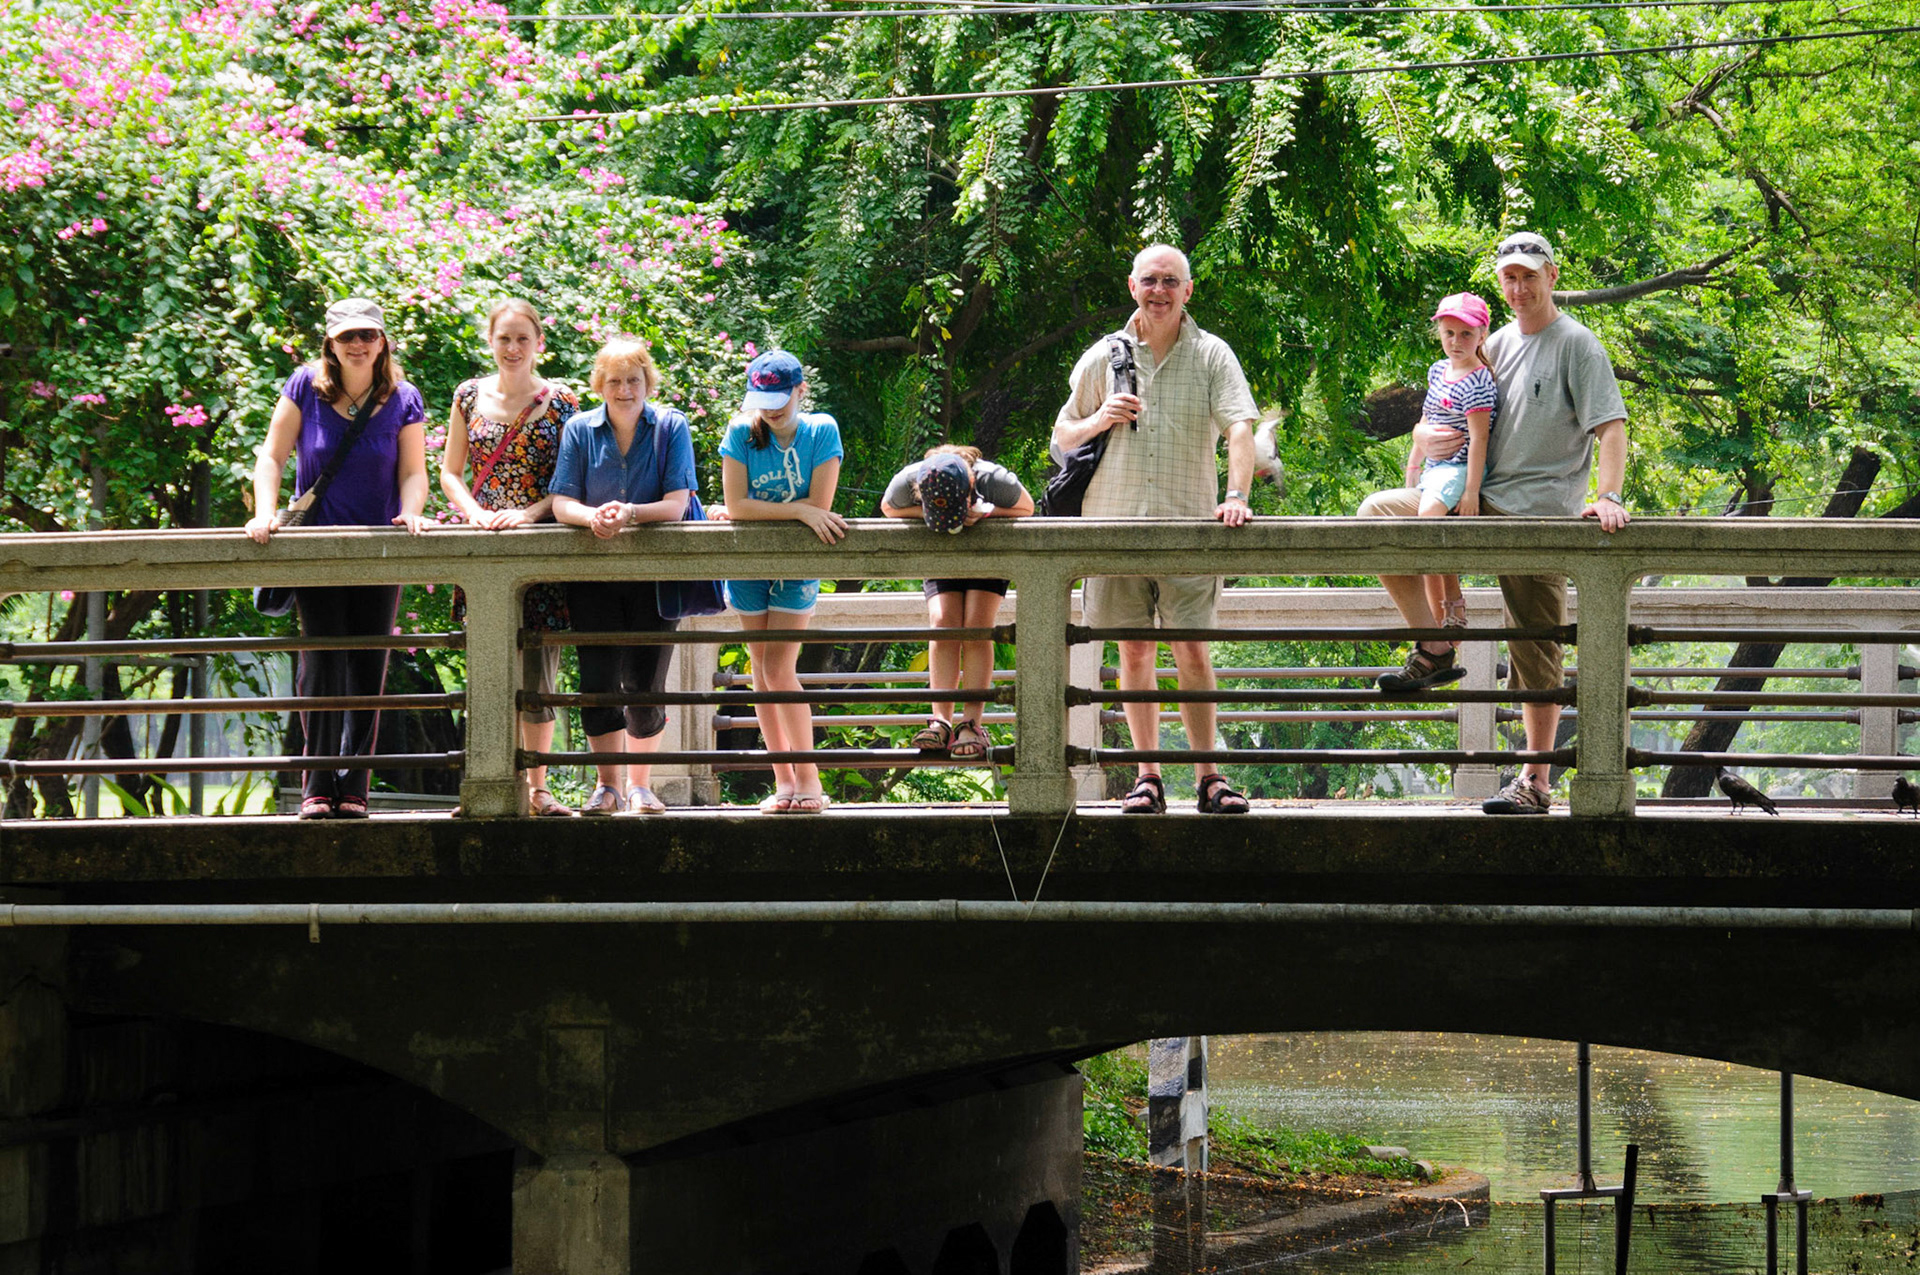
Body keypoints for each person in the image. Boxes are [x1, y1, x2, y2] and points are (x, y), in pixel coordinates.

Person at [1358, 231, 1629, 815]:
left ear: (1552, 276)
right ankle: (1433, 644)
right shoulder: (1494, 343)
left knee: (1537, 647)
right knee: (1377, 515)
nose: (1520, 286)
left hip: (1538, 514)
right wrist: (1419, 436)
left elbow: (1611, 426)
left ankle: (1536, 781)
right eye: (1510, 276)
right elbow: (1452, 409)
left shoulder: (1578, 345)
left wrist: (1608, 495)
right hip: (1473, 498)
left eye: (1530, 275)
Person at [1048, 243, 1260, 816]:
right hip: (1111, 531)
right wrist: (1100, 418)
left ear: (1188, 290)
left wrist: (1236, 496)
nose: (1159, 290)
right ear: (1132, 286)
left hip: (1187, 528)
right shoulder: (1104, 356)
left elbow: (1240, 427)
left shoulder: (1213, 355)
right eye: (1149, 280)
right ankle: (1147, 778)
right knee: (1134, 653)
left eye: (1171, 281)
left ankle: (1210, 778)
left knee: (1193, 651)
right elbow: (1062, 437)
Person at [244, 297, 432, 820]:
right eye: (348, 336)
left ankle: (355, 789)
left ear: (382, 341)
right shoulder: (305, 385)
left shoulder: (403, 397)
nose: (357, 345)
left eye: (367, 336)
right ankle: (316, 784)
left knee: (369, 665)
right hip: (317, 547)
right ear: (330, 342)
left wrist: (412, 511)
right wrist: (266, 513)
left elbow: (413, 471)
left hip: (379, 547)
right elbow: (272, 455)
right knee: (322, 666)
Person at [438, 299, 580, 817]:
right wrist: (475, 512)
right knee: (489, 671)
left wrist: (530, 513)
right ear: (491, 342)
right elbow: (450, 471)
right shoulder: (468, 396)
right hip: (484, 546)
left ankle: (539, 788)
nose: (514, 348)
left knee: (538, 676)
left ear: (539, 342)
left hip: (539, 549)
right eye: (504, 339)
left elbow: (571, 482)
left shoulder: (562, 401)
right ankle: (490, 781)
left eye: (523, 338)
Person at [549, 336, 696, 817]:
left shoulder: (671, 426)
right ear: (600, 384)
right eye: (614, 380)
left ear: (647, 382)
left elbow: (676, 505)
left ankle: (640, 786)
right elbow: (561, 502)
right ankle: (606, 785)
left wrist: (629, 512)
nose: (625, 389)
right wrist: (592, 518)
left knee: (645, 683)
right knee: (596, 680)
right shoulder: (579, 429)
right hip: (593, 573)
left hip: (655, 576)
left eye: (634, 379)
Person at [720, 350, 847, 815]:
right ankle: (784, 781)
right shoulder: (740, 431)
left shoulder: (821, 430)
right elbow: (737, 506)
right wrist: (796, 510)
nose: (770, 409)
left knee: (779, 669)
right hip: (748, 563)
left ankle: (809, 776)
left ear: (800, 391)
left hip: (797, 563)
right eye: (762, 399)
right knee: (760, 674)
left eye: (780, 398)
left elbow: (823, 502)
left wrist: (801, 509)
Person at [1376, 292, 1499, 692]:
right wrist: (1413, 462)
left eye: (1466, 333)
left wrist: (1471, 493)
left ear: (1481, 335)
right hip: (1433, 469)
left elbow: (1479, 440)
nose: (1456, 341)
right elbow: (1427, 417)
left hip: (1459, 469)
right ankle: (1434, 630)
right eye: (1449, 333)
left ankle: (1451, 608)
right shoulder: (1437, 371)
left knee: (1427, 520)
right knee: (1375, 515)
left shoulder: (1480, 382)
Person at [879, 445, 1035, 760]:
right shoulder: (908, 479)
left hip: (988, 548)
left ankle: (972, 723)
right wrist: (931, 516)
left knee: (976, 626)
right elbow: (889, 508)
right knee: (943, 623)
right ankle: (941, 720)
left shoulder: (995, 479)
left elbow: (1027, 508)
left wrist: (986, 513)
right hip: (941, 550)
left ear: (970, 486)